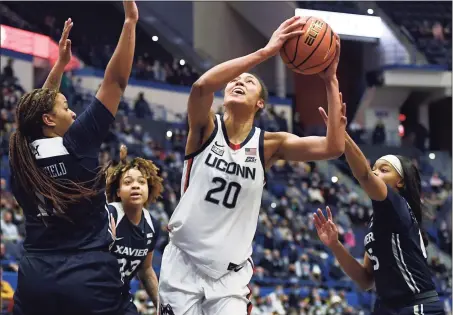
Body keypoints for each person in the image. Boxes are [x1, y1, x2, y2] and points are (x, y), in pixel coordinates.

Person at [158, 15, 346, 315]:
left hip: (230, 278)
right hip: (183, 263)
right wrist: (266, 52)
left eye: (249, 81)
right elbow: (201, 87)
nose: (238, 81)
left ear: (261, 103)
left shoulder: (269, 144)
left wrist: (330, 80)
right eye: (234, 80)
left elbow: (333, 147)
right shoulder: (206, 127)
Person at [9, 3, 138, 315]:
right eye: (66, 106)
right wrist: (130, 22)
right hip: (87, 276)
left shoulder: (20, 157)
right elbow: (115, 81)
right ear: (50, 121)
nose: (73, 112)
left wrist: (58, 67)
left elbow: (34, 117)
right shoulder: (76, 143)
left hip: (35, 279)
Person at [313, 97, 445, 315]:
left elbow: (363, 175)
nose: (375, 172)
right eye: (375, 168)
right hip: (387, 306)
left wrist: (341, 134)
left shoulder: (398, 204)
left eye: (384, 170)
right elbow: (365, 280)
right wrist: (335, 245)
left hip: (416, 304)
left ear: (400, 182)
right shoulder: (377, 220)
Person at [106, 145, 162, 314]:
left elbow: (145, 269)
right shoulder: (109, 213)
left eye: (142, 182)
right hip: (92, 294)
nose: (136, 186)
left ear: (148, 189)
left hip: (121, 299)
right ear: (118, 192)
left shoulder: (152, 225)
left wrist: (162, 306)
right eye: (128, 182)